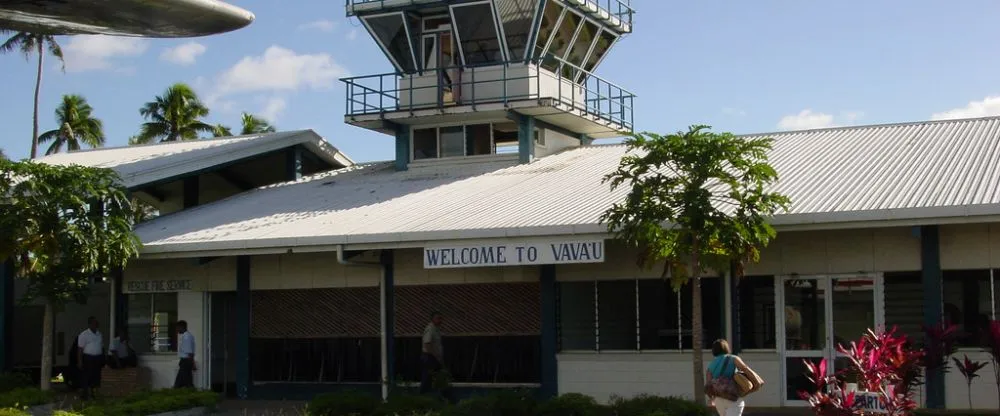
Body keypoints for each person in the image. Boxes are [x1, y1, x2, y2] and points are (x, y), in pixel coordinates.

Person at [705, 339, 764, 416]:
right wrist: (757, 381)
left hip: (719, 399)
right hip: (733, 396)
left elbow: (709, 384)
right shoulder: (733, 358)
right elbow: (745, 368)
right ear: (726, 347)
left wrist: (711, 398)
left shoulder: (711, 365)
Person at [76, 316, 104, 400]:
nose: (96, 324)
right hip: (88, 358)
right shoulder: (84, 334)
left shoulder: (99, 334)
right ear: (90, 324)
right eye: (94, 323)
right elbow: (80, 349)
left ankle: (93, 394)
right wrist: (80, 361)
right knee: (87, 376)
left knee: (96, 376)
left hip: (97, 358)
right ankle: (85, 395)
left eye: (97, 323)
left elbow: (101, 346)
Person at [420, 311, 445, 395]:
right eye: (438, 318)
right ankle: (423, 396)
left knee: (436, 377)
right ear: (432, 319)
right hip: (430, 357)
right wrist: (435, 355)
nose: (440, 320)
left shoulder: (436, 329)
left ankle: (435, 395)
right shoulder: (430, 329)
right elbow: (427, 344)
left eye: (441, 318)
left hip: (434, 357)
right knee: (427, 378)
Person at [173, 320, 196, 388]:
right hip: (186, 361)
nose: (177, 330)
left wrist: (192, 363)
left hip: (186, 361)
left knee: (180, 382)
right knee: (187, 381)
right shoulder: (187, 336)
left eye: (177, 328)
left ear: (181, 327)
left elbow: (189, 352)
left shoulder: (186, 337)